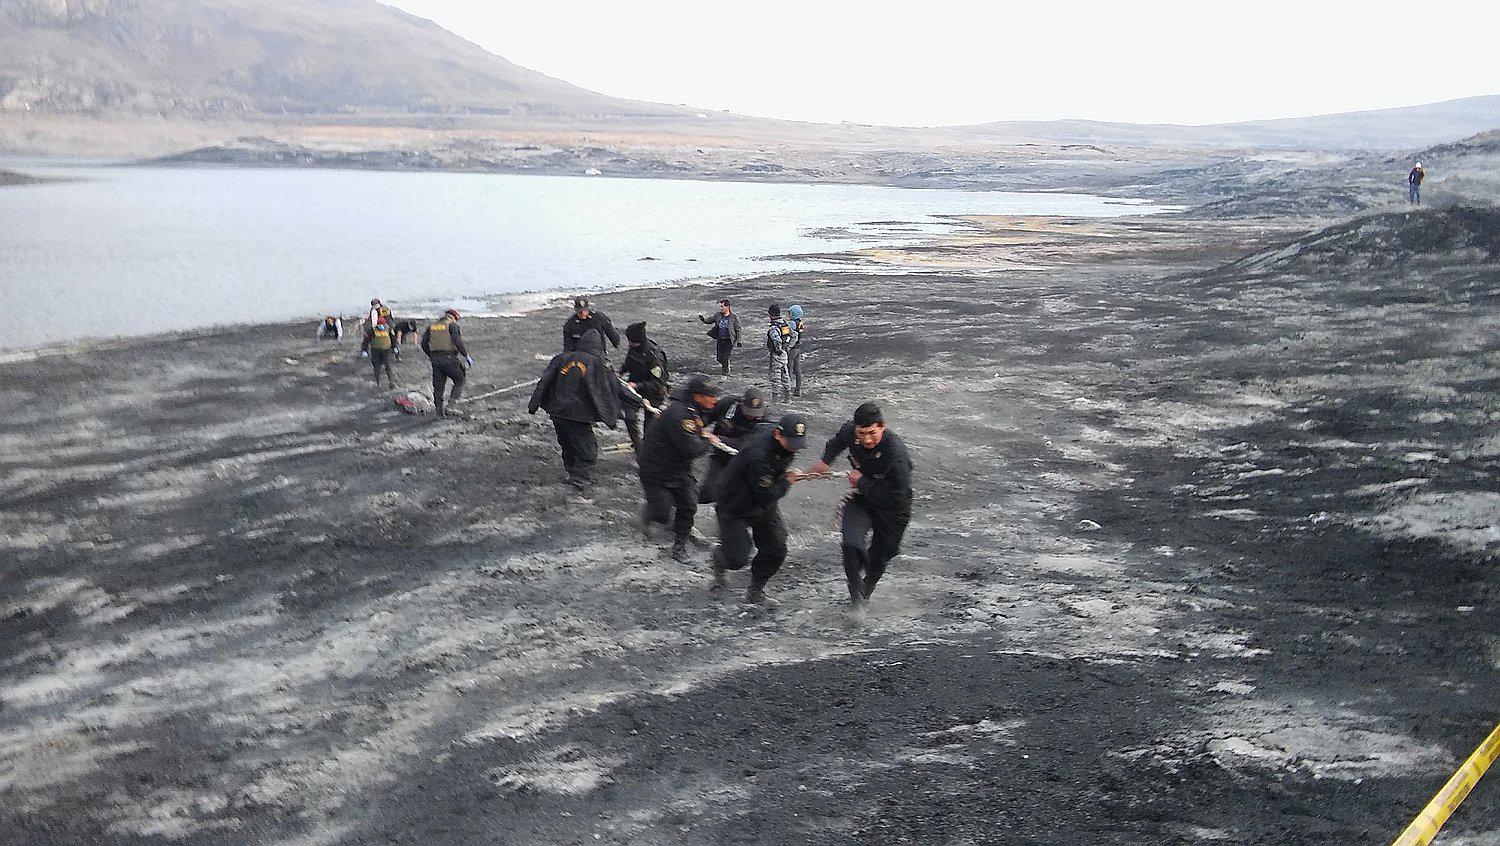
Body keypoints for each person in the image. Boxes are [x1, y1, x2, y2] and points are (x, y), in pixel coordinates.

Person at [804, 402, 913, 611]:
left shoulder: (896, 455)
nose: (867, 440)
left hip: (892, 506)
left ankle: (867, 589)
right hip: (862, 498)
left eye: (872, 433)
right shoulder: (850, 431)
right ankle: (856, 598)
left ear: (882, 426)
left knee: (882, 556)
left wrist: (862, 482)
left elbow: (896, 498)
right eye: (862, 433)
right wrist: (825, 461)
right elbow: (837, 441)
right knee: (851, 543)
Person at [712, 413, 809, 604]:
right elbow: (766, 494)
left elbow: (761, 424)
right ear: (778, 435)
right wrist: (787, 481)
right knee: (737, 559)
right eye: (791, 443)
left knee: (776, 549)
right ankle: (719, 557)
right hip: (734, 506)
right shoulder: (759, 456)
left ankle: (756, 590)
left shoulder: (776, 436)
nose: (795, 448)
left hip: (763, 505)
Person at [638, 374, 724, 561]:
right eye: (711, 396)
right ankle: (651, 511)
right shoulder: (679, 415)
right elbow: (692, 449)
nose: (715, 400)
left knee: (688, 505)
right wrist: (708, 440)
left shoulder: (695, 409)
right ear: (698, 397)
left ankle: (679, 546)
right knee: (662, 514)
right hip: (656, 470)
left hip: (679, 469)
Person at [528, 331, 626, 488]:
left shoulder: (561, 358)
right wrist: (614, 416)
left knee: (567, 444)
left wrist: (533, 405)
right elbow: (610, 389)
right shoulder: (598, 363)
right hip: (579, 415)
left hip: (557, 411)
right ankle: (579, 476)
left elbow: (544, 381)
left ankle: (573, 473)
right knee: (588, 450)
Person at [698, 387, 767, 504]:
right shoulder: (728, 404)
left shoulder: (764, 421)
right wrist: (700, 425)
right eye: (748, 412)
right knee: (709, 493)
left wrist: (717, 439)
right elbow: (710, 415)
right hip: (721, 455)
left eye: (754, 413)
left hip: (745, 461)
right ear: (741, 403)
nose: (751, 416)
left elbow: (746, 444)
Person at [620, 321, 671, 451]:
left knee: (650, 425)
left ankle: (647, 447)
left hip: (653, 391)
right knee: (630, 418)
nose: (629, 343)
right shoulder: (633, 348)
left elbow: (657, 383)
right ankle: (638, 445)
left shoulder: (655, 356)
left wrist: (637, 385)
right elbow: (628, 362)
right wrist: (620, 372)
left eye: (630, 341)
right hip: (635, 389)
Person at [420, 308, 471, 418]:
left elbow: (424, 344)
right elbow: (457, 341)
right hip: (449, 358)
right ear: (453, 318)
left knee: (438, 387)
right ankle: (450, 407)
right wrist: (466, 355)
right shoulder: (452, 326)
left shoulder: (432, 327)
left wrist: (432, 355)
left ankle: (439, 412)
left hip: (436, 360)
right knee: (460, 379)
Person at [698, 299, 742, 376]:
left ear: (727, 307)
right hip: (720, 339)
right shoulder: (718, 315)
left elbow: (738, 330)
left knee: (725, 357)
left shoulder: (734, 317)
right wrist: (703, 320)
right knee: (719, 358)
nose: (721, 308)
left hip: (729, 340)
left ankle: (725, 372)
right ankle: (726, 366)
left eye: (722, 306)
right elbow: (710, 320)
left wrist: (739, 341)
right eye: (720, 306)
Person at [765, 304, 794, 403]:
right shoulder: (785, 324)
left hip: (776, 355)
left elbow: (777, 340)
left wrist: (778, 349)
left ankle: (775, 399)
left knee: (775, 376)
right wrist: (788, 347)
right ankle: (787, 397)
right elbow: (794, 335)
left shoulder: (774, 327)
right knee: (785, 374)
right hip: (784, 354)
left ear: (771, 314)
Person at [367, 322, 398, 389]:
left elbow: (393, 338)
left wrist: (394, 347)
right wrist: (364, 349)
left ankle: (390, 382)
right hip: (377, 350)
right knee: (378, 366)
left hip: (383, 350)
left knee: (386, 365)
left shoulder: (388, 329)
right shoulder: (373, 330)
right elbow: (367, 339)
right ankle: (378, 382)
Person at [787, 304, 807, 396]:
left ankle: (787, 389)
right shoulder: (800, 323)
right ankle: (798, 389)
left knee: (789, 369)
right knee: (797, 370)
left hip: (792, 348)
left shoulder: (792, 323)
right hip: (798, 348)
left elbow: (789, 335)